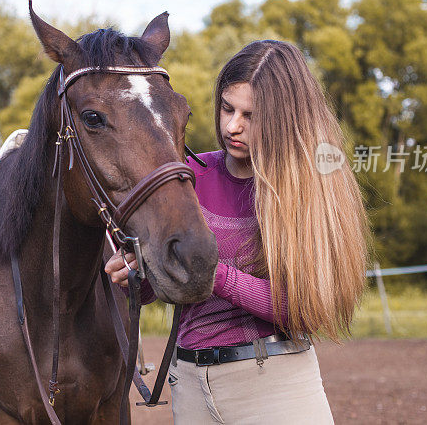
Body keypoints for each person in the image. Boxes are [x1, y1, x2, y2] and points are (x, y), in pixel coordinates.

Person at [105, 40, 370, 424]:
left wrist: (213, 273)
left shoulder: (311, 191)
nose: (232, 126)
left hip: (276, 387)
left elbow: (307, 309)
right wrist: (134, 272)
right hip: (191, 385)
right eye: (227, 108)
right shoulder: (187, 177)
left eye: (251, 114)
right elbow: (153, 290)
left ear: (285, 120)